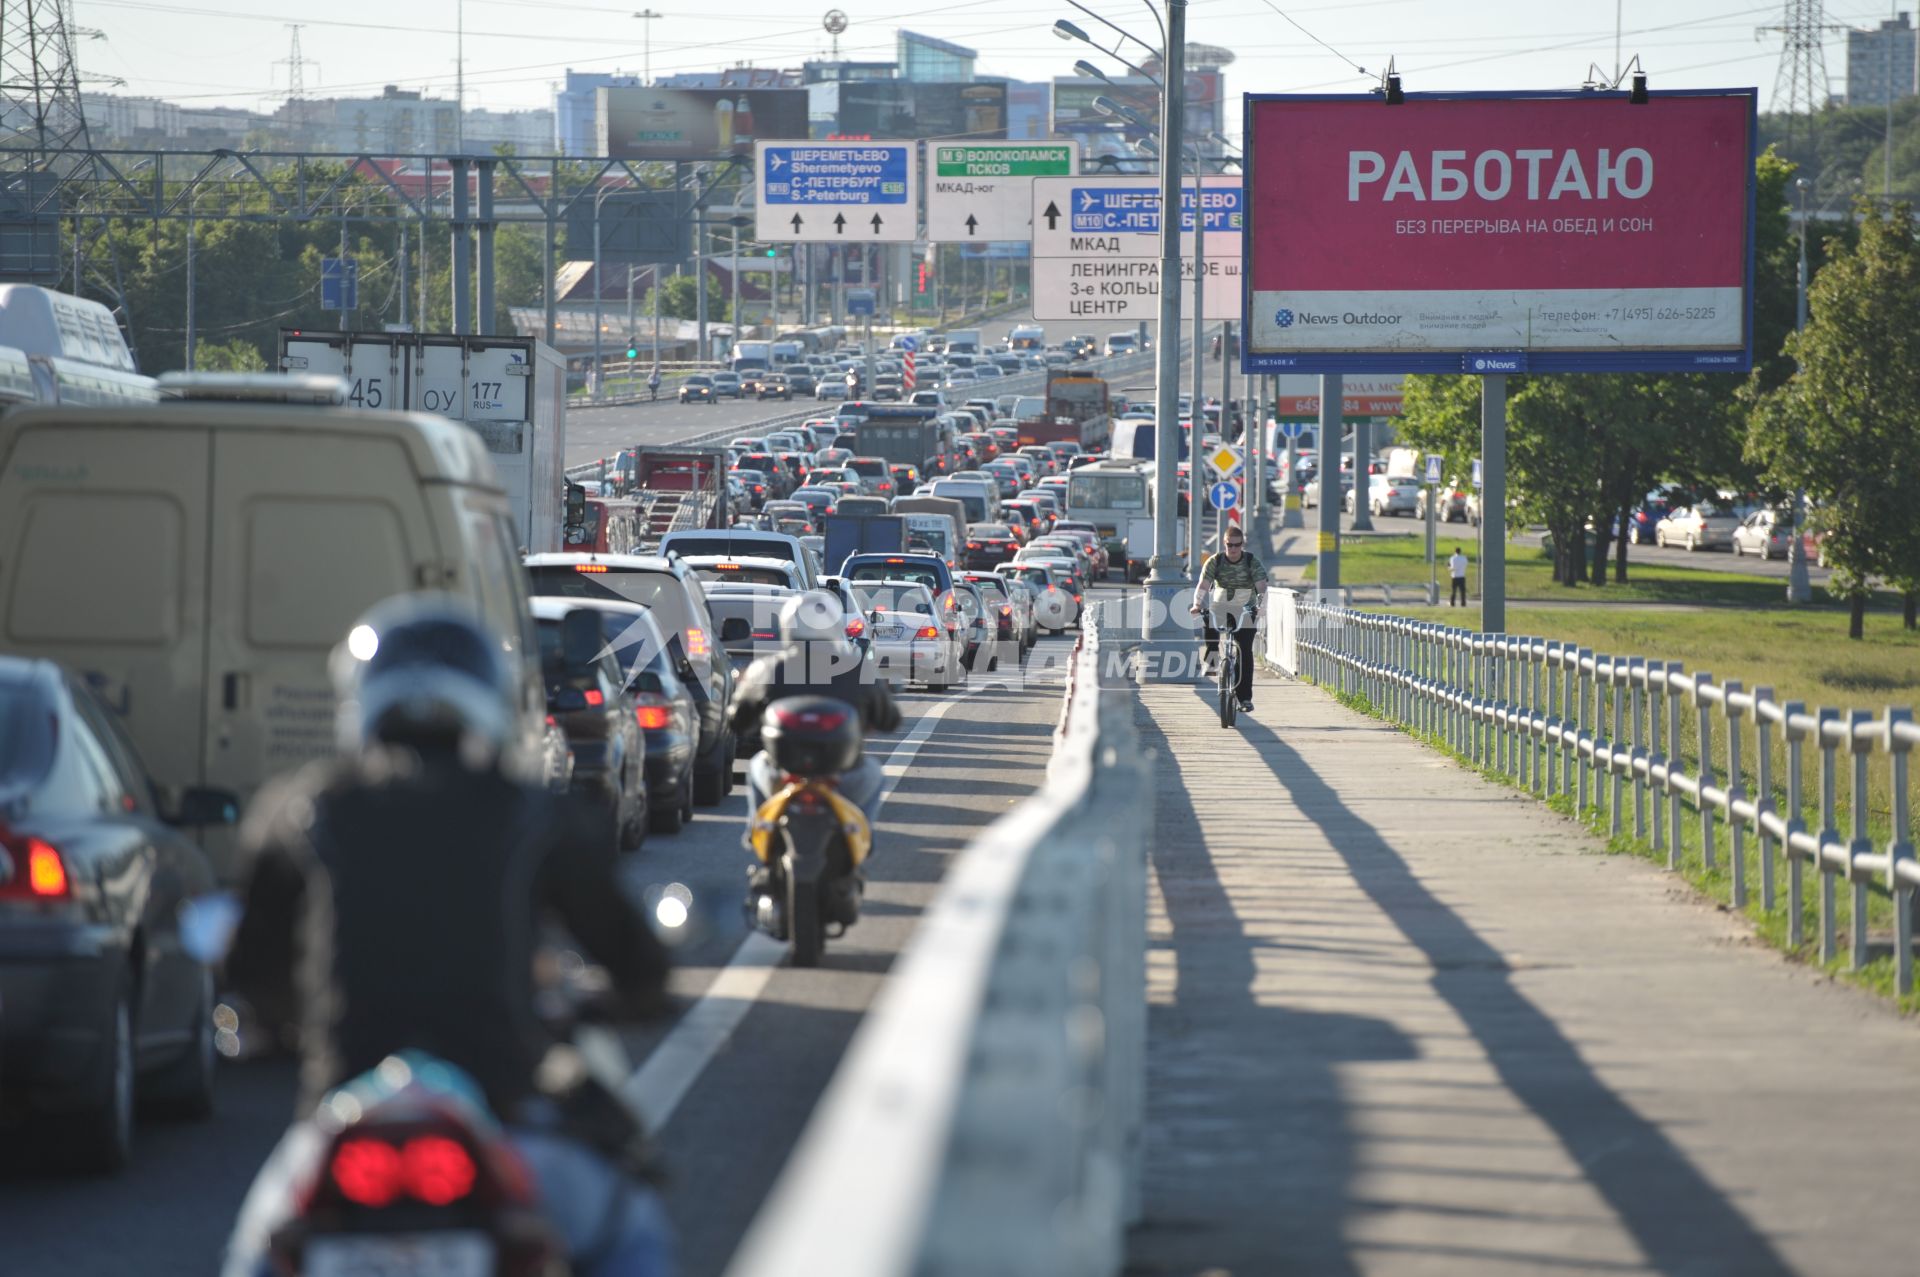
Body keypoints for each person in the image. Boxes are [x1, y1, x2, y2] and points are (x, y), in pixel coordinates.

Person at [221, 595, 674, 1277]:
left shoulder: (306, 806)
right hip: (501, 1109)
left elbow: (248, 970)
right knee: (628, 1230)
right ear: (488, 698)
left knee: (259, 1249)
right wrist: (634, 992)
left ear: (362, 699)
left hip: (344, 1117)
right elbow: (632, 956)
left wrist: (271, 1017)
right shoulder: (535, 811)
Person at [730, 591, 901, 832]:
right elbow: (890, 720)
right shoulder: (857, 669)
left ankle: (757, 831)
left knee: (758, 764)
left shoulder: (767, 669)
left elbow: (736, 720)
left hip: (782, 775)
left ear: (788, 625)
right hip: (844, 777)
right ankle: (863, 836)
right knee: (874, 773)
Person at [1191, 525, 1267, 713]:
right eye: (1229, 545)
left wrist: (1260, 605)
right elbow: (1204, 585)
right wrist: (1197, 604)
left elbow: (1261, 585)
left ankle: (1244, 699)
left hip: (1246, 608)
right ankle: (1213, 659)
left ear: (1242, 544)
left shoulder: (1251, 561)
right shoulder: (1215, 561)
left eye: (1237, 545)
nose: (1233, 549)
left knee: (1245, 652)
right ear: (1224, 544)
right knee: (1208, 617)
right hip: (1222, 606)